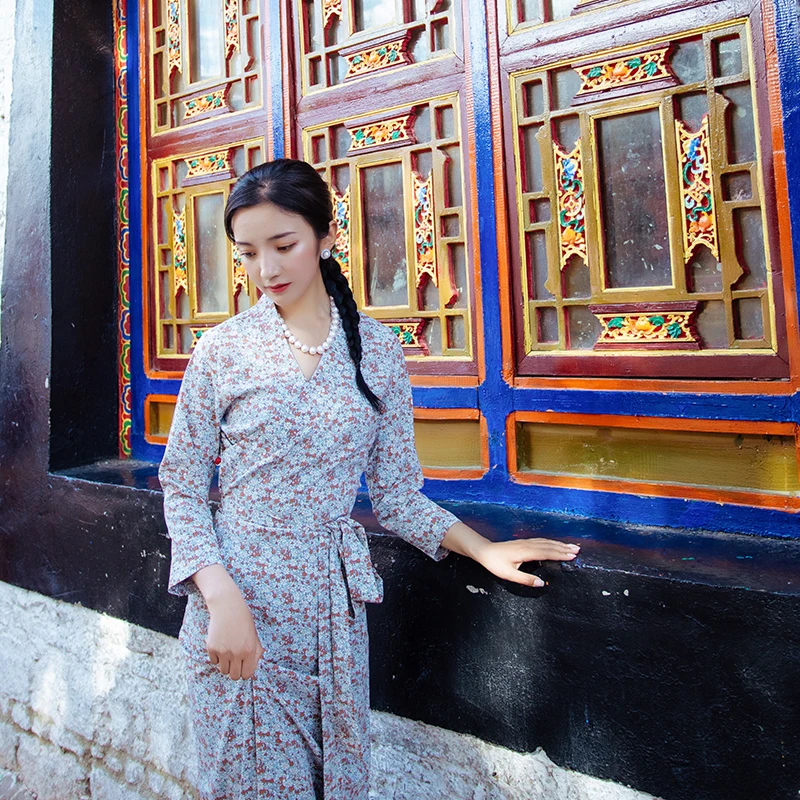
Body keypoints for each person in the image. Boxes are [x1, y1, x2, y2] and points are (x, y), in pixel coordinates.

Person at [158, 158, 580, 800]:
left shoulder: (377, 352)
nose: (266, 270)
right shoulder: (222, 351)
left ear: (327, 239)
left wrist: (482, 548)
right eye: (247, 253)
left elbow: (395, 494)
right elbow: (183, 485)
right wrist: (218, 596)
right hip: (239, 607)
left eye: (284, 245)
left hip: (331, 610)